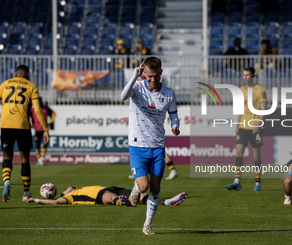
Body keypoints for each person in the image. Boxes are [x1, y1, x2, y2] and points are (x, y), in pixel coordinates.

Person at [120, 57, 180, 235]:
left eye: (155, 76)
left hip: (158, 146)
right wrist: (134, 76)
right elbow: (122, 96)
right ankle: (136, 189)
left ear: (161, 72)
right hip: (138, 145)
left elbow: (174, 114)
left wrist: (175, 125)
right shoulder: (137, 87)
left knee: (155, 187)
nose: (153, 80)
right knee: (144, 186)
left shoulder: (169, 93)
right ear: (144, 73)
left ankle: (147, 224)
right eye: (149, 76)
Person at [0, 65, 50, 202]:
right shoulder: (31, 87)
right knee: (25, 160)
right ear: (27, 74)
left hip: (6, 124)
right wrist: (45, 129)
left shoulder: (4, 84)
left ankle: (6, 181)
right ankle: (26, 193)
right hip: (23, 126)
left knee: (7, 156)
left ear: (16, 73)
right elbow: (38, 111)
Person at [225, 67, 266, 192]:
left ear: (253, 76)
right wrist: (237, 125)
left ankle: (257, 183)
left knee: (256, 156)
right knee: (238, 153)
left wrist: (258, 124)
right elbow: (239, 110)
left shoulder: (260, 90)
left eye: (248, 75)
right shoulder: (240, 91)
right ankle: (237, 181)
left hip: (255, 127)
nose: (245, 77)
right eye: (244, 75)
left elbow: (264, 109)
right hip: (243, 126)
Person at [24, 185, 187, 207]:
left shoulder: (78, 188)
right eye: (66, 189)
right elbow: (55, 203)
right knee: (109, 196)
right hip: (100, 196)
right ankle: (121, 202)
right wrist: (35, 200)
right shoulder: (70, 197)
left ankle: (166, 201)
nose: (68, 187)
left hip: (111, 187)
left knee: (141, 194)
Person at [31, 97, 56, 166]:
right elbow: (28, 117)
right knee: (37, 145)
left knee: (45, 144)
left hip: (45, 130)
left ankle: (42, 158)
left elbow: (53, 114)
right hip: (37, 130)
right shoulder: (33, 109)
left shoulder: (45, 108)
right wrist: (31, 124)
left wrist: (50, 122)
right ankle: (39, 159)